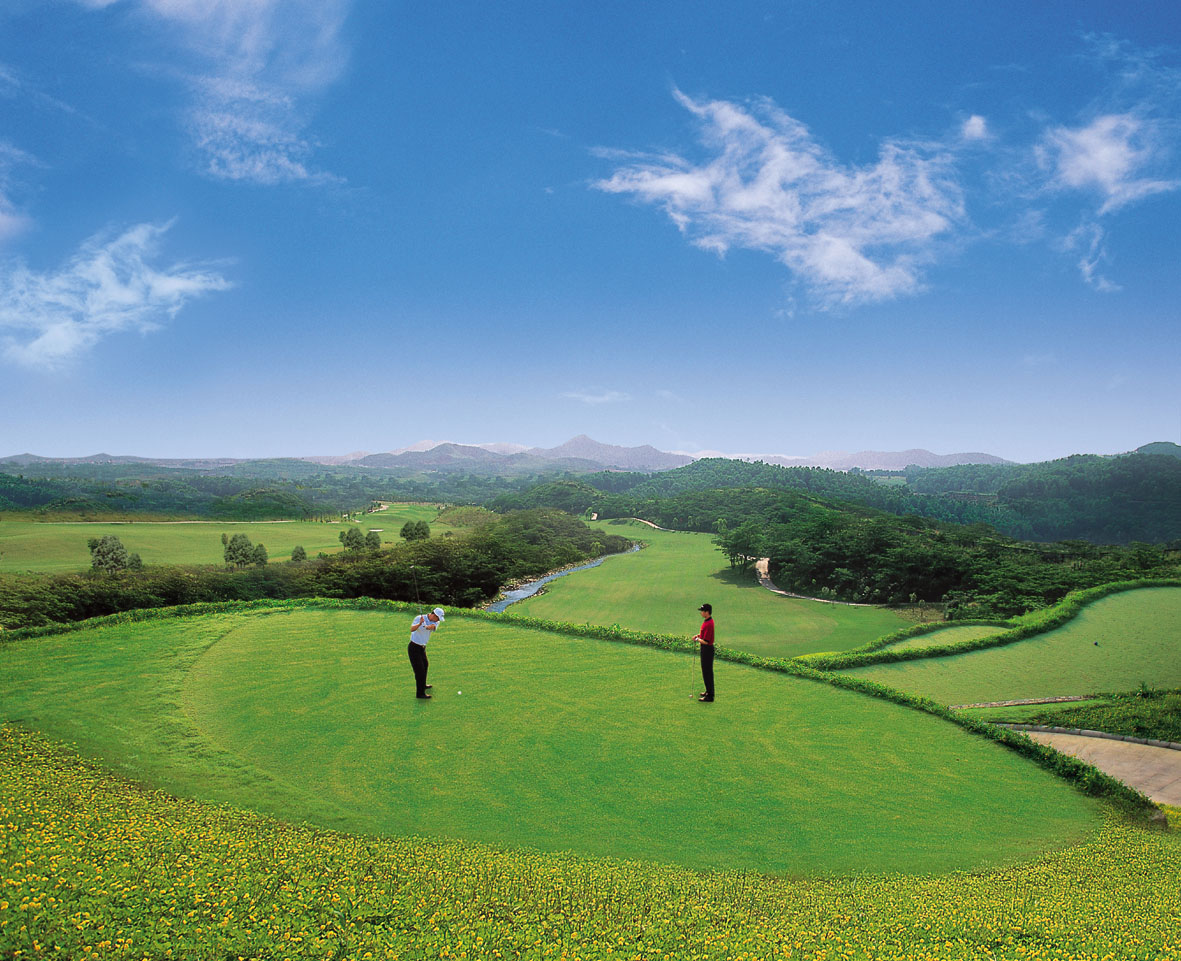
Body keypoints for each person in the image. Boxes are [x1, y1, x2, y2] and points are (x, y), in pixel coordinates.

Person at [408, 606, 445, 699]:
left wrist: (428, 626)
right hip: (414, 647)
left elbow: (432, 627)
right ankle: (420, 694)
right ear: (434, 615)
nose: (438, 620)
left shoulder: (436, 621)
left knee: (425, 665)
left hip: (422, 648)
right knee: (419, 671)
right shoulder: (418, 618)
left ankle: (423, 685)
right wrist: (420, 624)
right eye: (438, 617)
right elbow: (412, 629)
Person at [694, 603, 715, 702]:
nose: (701, 613)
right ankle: (708, 691)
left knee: (707, 672)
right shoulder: (707, 621)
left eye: (702, 611)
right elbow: (704, 635)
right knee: (705, 672)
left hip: (707, 649)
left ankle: (710, 696)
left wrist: (698, 639)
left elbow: (706, 641)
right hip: (705, 649)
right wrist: (698, 635)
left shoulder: (709, 623)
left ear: (707, 612)